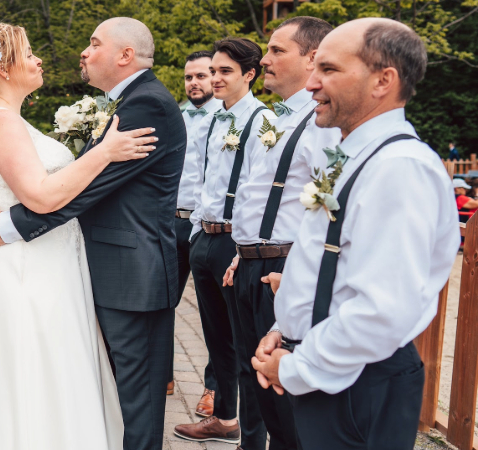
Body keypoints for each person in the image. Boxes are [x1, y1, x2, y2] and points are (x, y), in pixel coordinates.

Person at [0, 18, 160, 450]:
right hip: (21, 272)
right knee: (27, 376)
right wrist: (106, 153)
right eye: (29, 54)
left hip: (37, 262)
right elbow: (40, 196)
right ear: (4, 68)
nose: (39, 60)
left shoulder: (1, 115)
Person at [0, 17, 187, 450]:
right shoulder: (130, 102)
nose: (83, 52)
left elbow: (91, 189)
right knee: (107, 395)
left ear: (125, 55)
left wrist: (10, 226)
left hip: (131, 277)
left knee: (136, 403)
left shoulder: (148, 105)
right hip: (89, 271)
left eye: (93, 43)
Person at [251, 18, 460, 450]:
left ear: (383, 80)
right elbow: (335, 268)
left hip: (356, 383)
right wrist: (284, 328)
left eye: (328, 69)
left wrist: (293, 367)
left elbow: (381, 310)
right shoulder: (353, 156)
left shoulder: (399, 169)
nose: (310, 83)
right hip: (328, 366)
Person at [215, 17, 338, 450]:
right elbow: (259, 193)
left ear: (312, 58)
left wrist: (297, 274)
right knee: (256, 381)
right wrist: (240, 252)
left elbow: (326, 207)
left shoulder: (322, 123)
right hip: (252, 264)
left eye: (276, 50)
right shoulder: (280, 118)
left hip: (283, 270)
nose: (264, 59)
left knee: (285, 395)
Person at [174, 38, 274, 448]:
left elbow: (261, 190)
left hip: (236, 244)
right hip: (206, 239)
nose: (214, 78)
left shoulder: (264, 121)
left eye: (224, 71)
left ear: (249, 75)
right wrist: (198, 231)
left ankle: (253, 438)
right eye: (212, 70)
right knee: (216, 339)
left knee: (244, 345)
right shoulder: (216, 120)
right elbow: (201, 179)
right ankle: (223, 419)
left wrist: (239, 248)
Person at [171, 50, 222, 404]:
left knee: (214, 313)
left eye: (201, 76)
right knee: (162, 303)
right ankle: (163, 377)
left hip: (207, 227)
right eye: (189, 77)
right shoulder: (174, 114)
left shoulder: (229, 119)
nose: (194, 83)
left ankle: (214, 388)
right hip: (173, 221)